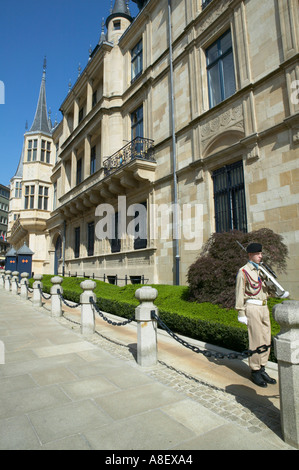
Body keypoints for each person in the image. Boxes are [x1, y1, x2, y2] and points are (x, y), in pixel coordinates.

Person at [235, 242, 276, 387]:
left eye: (261, 254)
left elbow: (268, 290)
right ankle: (255, 371)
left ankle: (262, 367)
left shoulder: (262, 271)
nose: (260, 256)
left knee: (266, 339)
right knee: (256, 340)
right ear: (250, 255)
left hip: (264, 307)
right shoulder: (244, 271)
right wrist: (241, 312)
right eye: (258, 254)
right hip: (252, 307)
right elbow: (239, 292)